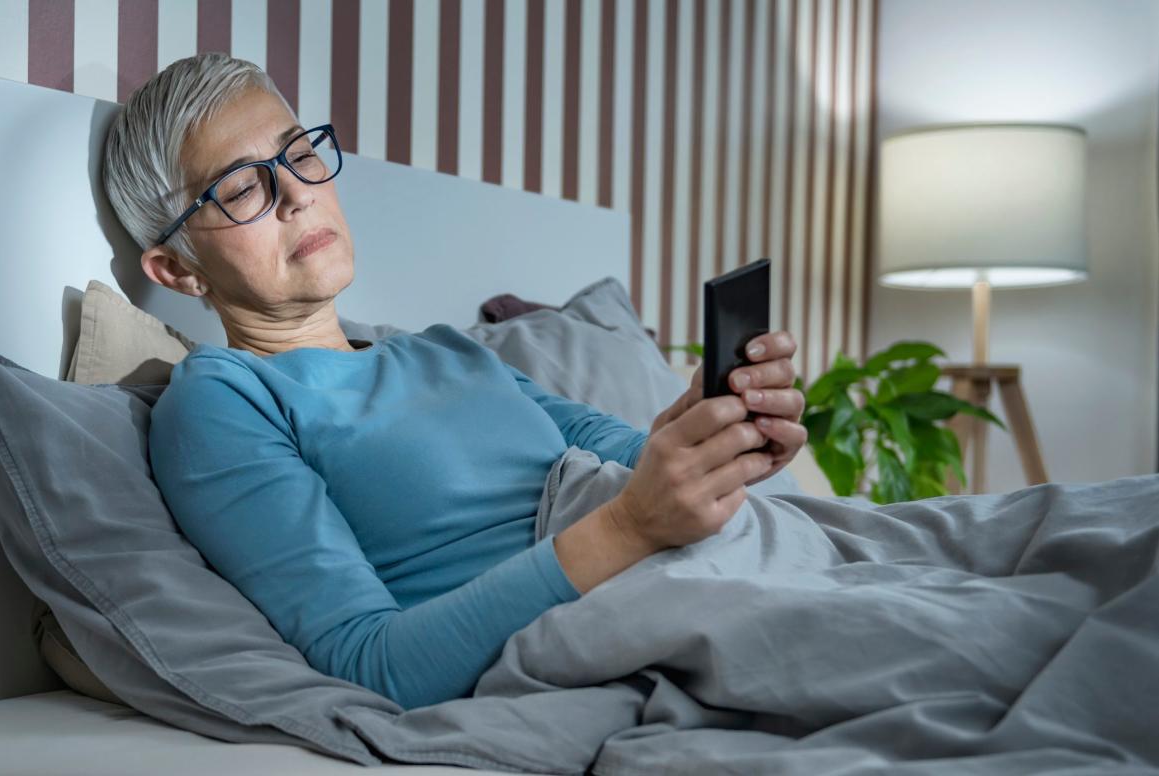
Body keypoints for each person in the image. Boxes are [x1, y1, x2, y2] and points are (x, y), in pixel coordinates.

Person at [102, 52, 808, 711]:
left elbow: (629, 457)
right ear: (177, 270)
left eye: (300, 154)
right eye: (238, 188)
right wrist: (630, 525)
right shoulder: (224, 400)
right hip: (622, 609)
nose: (295, 194)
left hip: (717, 564)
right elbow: (370, 663)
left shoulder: (440, 351)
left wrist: (721, 436)